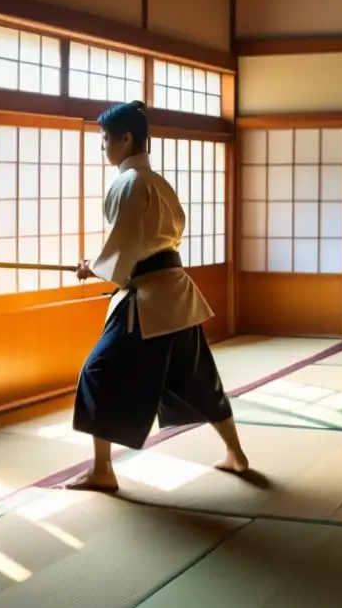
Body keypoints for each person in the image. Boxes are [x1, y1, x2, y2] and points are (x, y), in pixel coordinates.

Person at [64, 101, 250, 492]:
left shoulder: (129, 183)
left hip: (148, 300)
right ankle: (235, 453)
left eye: (105, 140)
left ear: (126, 138)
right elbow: (154, 240)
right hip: (176, 295)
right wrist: (101, 263)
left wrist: (93, 266)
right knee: (198, 377)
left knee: (96, 373)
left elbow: (125, 244)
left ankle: (102, 470)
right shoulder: (158, 182)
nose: (103, 148)